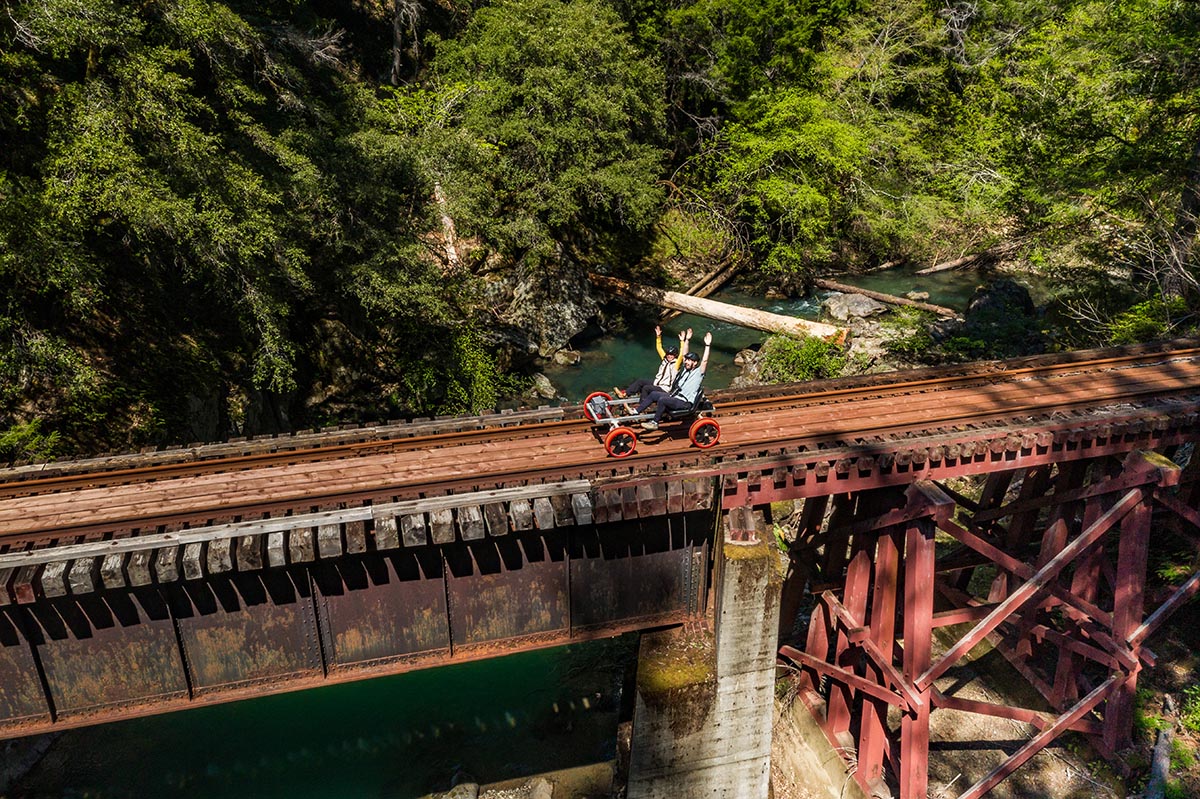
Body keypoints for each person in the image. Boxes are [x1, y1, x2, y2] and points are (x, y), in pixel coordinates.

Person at [636, 330, 712, 430]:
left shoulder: (698, 373)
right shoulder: (685, 370)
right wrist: (686, 340)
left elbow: (705, 361)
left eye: (690, 361)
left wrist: (707, 345)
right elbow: (684, 354)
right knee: (654, 394)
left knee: (663, 400)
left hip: (685, 402)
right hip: (676, 396)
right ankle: (636, 411)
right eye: (687, 360)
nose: (687, 362)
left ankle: (655, 422)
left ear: (695, 363)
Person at [614, 326, 690, 398]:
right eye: (668, 354)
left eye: (672, 355)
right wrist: (658, 336)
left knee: (646, 388)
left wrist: (682, 341)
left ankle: (642, 404)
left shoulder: (676, 364)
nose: (669, 356)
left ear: (675, 355)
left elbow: (681, 354)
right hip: (657, 383)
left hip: (665, 388)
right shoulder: (665, 359)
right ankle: (625, 394)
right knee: (640, 381)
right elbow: (659, 348)